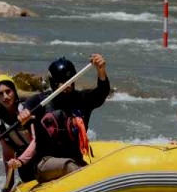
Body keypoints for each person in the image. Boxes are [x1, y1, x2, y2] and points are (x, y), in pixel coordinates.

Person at [19, 53, 110, 182]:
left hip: (76, 161)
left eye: (70, 83)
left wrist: (101, 70)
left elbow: (102, 92)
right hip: (46, 163)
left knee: (88, 171)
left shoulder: (81, 99)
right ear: (53, 84)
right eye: (62, 84)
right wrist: (24, 115)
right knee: (70, 166)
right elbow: (25, 110)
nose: (67, 87)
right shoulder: (39, 102)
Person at [0, 74, 41, 191]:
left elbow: (36, 140)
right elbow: (8, 154)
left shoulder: (27, 109)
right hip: (25, 166)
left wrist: (19, 161)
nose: (6, 96)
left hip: (42, 155)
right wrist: (9, 184)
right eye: (0, 94)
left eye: (8, 91)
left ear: (14, 91)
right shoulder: (0, 124)